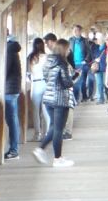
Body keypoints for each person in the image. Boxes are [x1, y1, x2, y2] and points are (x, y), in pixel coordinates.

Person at [32, 32, 77, 168]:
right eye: (68, 49)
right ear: (64, 49)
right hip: (60, 99)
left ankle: (41, 149)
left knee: (53, 126)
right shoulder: (62, 63)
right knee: (59, 129)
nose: (69, 51)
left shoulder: (48, 62)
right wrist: (75, 76)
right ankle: (57, 158)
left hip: (48, 98)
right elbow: (67, 83)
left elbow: (47, 78)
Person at [3, 36, 23, 160]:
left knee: (12, 120)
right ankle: (14, 148)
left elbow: (4, 70)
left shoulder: (9, 49)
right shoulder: (11, 48)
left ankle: (14, 150)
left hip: (9, 88)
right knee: (13, 119)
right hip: (13, 88)